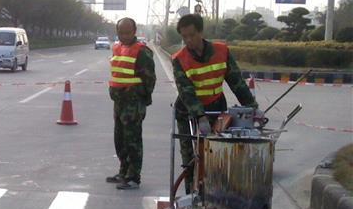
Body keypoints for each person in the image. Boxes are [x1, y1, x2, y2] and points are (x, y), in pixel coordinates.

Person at [172, 13, 260, 193]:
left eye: (192, 35)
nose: (189, 40)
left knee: (217, 152)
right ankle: (192, 195)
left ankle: (216, 194)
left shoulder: (222, 51)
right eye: (184, 37)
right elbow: (186, 92)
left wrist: (253, 108)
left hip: (216, 107)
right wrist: (199, 116)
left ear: (201, 32)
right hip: (189, 112)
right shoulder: (179, 59)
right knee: (191, 156)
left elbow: (236, 82)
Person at [107, 17, 157, 190]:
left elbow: (149, 80)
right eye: (121, 32)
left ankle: (133, 177)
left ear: (134, 32)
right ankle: (123, 171)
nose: (124, 36)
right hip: (119, 102)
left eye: (128, 32)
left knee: (132, 140)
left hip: (133, 104)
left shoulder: (142, 51)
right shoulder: (117, 48)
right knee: (120, 139)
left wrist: (136, 95)